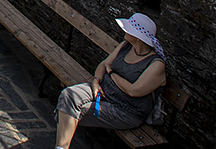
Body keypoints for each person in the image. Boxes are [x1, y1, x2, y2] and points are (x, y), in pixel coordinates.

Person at [54, 12, 167, 148]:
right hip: (104, 91)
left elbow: (133, 90)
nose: (124, 31)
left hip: (125, 111)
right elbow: (103, 65)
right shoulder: (126, 46)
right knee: (68, 95)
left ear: (138, 37)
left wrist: (112, 73)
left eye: (129, 29)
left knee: (70, 110)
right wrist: (96, 81)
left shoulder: (156, 65)